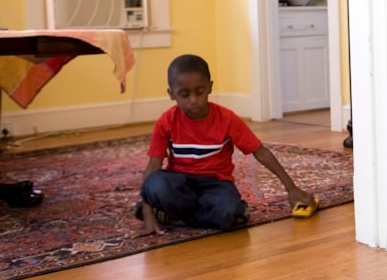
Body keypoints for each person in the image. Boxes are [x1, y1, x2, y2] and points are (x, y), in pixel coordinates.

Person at [132, 54, 317, 236]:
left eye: (200, 91)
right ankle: (192, 215)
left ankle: (174, 217)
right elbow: (153, 167)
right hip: (180, 184)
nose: (194, 100)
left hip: (215, 183)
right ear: (171, 94)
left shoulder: (227, 119)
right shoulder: (166, 121)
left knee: (228, 210)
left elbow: (260, 152)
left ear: (210, 88)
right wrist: (148, 214)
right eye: (184, 94)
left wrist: (291, 188)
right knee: (156, 184)